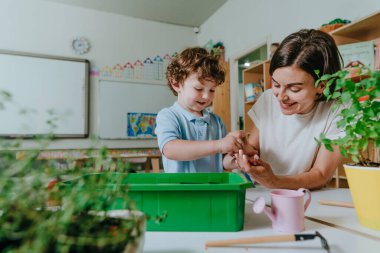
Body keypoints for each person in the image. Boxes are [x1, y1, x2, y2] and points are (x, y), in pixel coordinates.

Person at [225, 29, 345, 190]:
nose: (280, 97)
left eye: (294, 89)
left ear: (321, 86)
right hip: (264, 194)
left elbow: (320, 174)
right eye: (275, 84)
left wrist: (274, 181)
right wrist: (243, 149)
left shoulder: (337, 110)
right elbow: (254, 150)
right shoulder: (268, 99)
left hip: (308, 197)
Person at [155, 47, 245, 173]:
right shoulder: (168, 116)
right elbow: (170, 149)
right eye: (198, 89)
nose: (207, 96)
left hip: (213, 190)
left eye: (212, 90)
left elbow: (221, 161)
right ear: (176, 84)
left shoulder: (217, 121)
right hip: (182, 192)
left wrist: (235, 161)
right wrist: (219, 145)